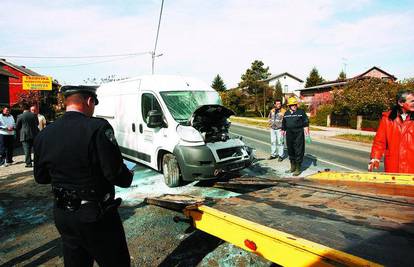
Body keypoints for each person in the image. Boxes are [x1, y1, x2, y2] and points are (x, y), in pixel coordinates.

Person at [33, 85, 133, 267]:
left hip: (63, 214)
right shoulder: (97, 127)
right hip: (95, 214)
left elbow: (41, 177)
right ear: (88, 101)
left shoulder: (45, 134)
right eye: (94, 103)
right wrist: (128, 175)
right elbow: (115, 173)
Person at [368, 90, 414, 173]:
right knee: (393, 185)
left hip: (411, 165)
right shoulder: (387, 118)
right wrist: (375, 158)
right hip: (393, 165)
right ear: (401, 103)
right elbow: (380, 141)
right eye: (412, 101)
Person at [281, 96, 309, 176]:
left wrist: (307, 134)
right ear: (289, 106)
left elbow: (306, 123)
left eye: (295, 104)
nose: (295, 106)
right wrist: (282, 133)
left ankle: (298, 168)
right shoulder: (286, 113)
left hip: (298, 133)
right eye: (293, 105)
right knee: (290, 150)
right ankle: (292, 167)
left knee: (298, 150)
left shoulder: (301, 112)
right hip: (289, 134)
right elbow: (284, 124)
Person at [16, 103, 39, 167]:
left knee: (27, 151)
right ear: (29, 108)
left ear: (22, 108)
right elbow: (37, 124)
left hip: (25, 135)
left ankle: (28, 164)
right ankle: (37, 162)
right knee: (36, 150)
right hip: (34, 134)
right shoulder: (34, 115)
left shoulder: (20, 116)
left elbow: (17, 126)